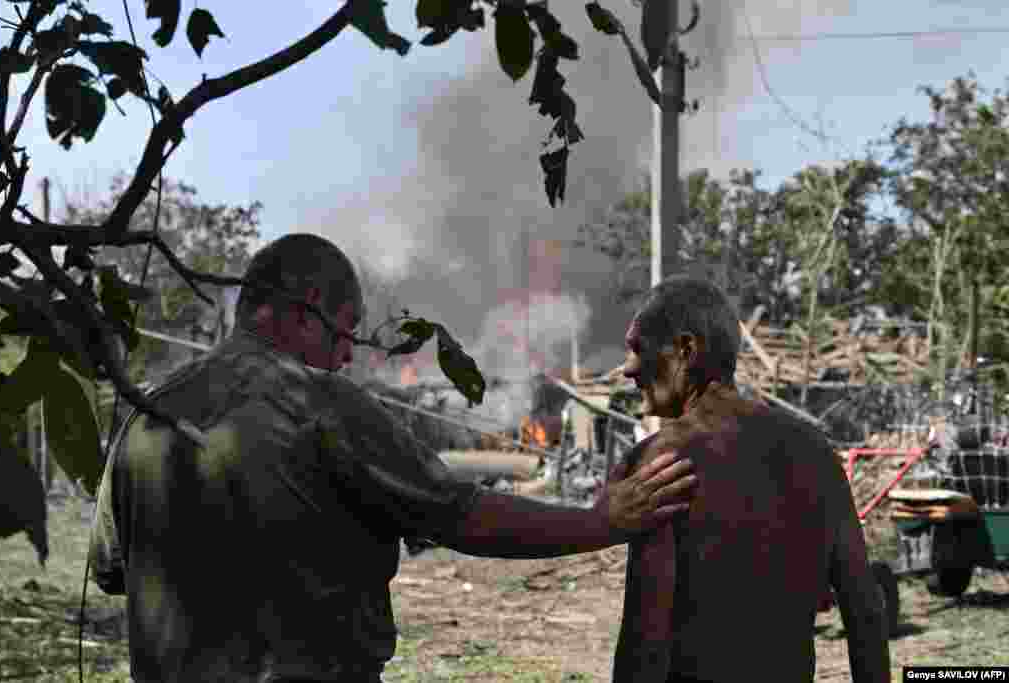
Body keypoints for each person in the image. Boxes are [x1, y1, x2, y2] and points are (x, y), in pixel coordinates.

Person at [89, 233, 698, 683]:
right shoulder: (321, 404)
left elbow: (111, 570)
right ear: (304, 310)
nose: (348, 354)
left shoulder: (148, 410)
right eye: (345, 329)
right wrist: (603, 521)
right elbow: (462, 515)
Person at [611, 276, 890, 683]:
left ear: (686, 350)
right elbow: (864, 607)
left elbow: (645, 633)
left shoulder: (658, 463)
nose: (627, 369)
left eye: (638, 348)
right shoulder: (813, 449)